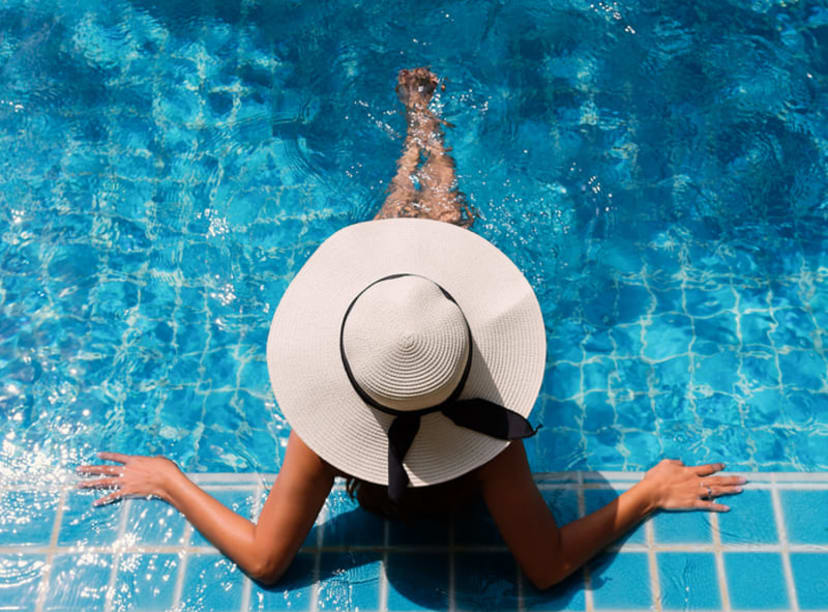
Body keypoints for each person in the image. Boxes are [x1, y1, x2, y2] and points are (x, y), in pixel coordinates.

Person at [77, 68, 745, 591]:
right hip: (443, 378)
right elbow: (547, 566)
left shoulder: (322, 438)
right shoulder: (490, 430)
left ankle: (417, 138)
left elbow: (265, 559)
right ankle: (427, 130)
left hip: (392, 378)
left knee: (399, 268)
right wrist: (649, 492)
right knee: (434, 252)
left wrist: (169, 479)